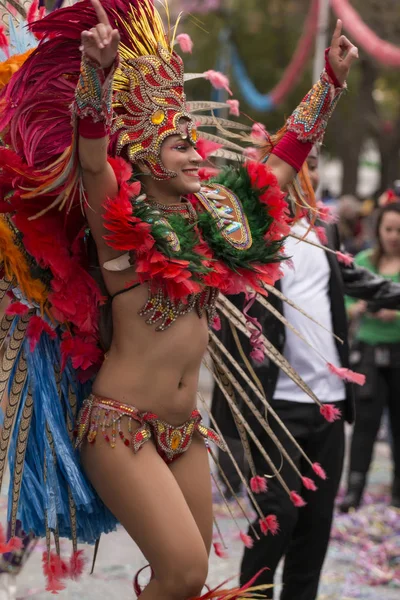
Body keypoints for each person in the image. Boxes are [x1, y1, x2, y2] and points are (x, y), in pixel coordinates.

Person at [0, 0, 358, 596]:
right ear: (145, 157)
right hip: (120, 428)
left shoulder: (217, 222)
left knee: (191, 587)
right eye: (179, 145)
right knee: (184, 571)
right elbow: (91, 158)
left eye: (195, 142)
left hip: (184, 428)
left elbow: (278, 166)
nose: (198, 154)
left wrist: (330, 86)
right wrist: (96, 79)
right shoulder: (117, 222)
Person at [212, 145, 400, 600]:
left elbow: (355, 281)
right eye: (299, 163)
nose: (307, 173)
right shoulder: (249, 236)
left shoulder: (321, 234)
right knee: (276, 519)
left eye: (314, 164)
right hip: (274, 408)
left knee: (314, 530)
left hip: (329, 407)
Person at [341, 201, 400, 512]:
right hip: (367, 353)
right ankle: (354, 490)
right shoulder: (363, 261)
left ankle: (398, 493)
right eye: (388, 229)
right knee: (364, 425)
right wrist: (360, 307)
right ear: (378, 230)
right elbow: (345, 301)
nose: (393, 236)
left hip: (398, 351)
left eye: (399, 230)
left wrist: (395, 313)